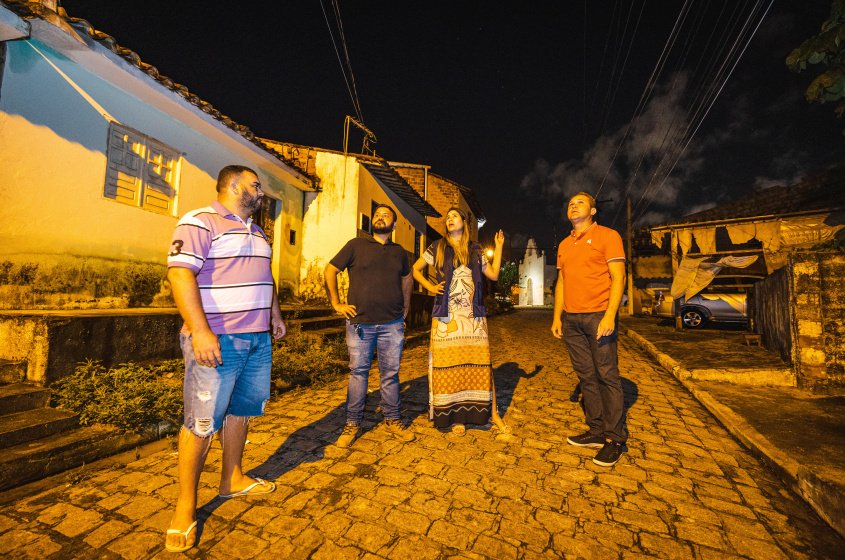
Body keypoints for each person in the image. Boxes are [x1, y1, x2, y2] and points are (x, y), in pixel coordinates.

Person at [164, 165, 286, 553]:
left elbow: (265, 275)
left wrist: (274, 312)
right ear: (234, 186)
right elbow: (180, 275)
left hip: (255, 338)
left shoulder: (259, 230)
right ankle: (185, 507)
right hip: (218, 338)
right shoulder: (200, 221)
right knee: (201, 423)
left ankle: (231, 478)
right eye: (255, 185)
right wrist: (199, 330)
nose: (261, 191)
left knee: (241, 410)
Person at [412, 207, 510, 435]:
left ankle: (492, 413)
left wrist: (499, 246)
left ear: (464, 222)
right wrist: (429, 287)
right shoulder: (436, 247)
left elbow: (493, 275)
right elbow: (416, 269)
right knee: (448, 367)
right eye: (447, 218)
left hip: (473, 317)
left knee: (481, 364)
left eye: (454, 216)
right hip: (446, 317)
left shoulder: (475, 250)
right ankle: (456, 418)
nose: (449, 220)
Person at [324, 204, 415, 448]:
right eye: (376, 214)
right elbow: (330, 270)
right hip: (360, 324)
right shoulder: (356, 245)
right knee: (358, 373)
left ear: (394, 225)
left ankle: (392, 419)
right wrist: (336, 303)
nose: (380, 217)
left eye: (386, 215)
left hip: (392, 324)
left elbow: (407, 278)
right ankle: (352, 423)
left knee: (390, 374)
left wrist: (406, 307)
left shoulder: (400, 253)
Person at [551, 192, 627, 467]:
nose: (573, 205)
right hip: (572, 320)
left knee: (607, 374)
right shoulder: (563, 244)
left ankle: (615, 438)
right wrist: (557, 316)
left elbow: (619, 278)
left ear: (593, 211)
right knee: (586, 376)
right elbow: (561, 282)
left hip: (598, 316)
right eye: (570, 203)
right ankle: (596, 431)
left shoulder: (609, 236)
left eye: (580, 202)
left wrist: (610, 316)